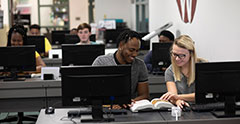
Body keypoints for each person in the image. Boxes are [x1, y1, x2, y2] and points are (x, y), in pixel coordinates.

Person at [92, 30, 149, 105]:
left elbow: (144, 95)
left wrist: (128, 102)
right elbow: (93, 93)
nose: (135, 54)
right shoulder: (101, 62)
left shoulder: (140, 65)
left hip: (129, 109)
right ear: (120, 46)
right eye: (131, 50)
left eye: (137, 51)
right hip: (105, 108)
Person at [159, 35, 207, 108]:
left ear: (191, 54)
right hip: (184, 109)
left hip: (204, 108)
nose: (177, 59)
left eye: (182, 55)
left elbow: (205, 95)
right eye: (174, 54)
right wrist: (178, 101)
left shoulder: (204, 66)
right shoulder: (170, 71)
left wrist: (177, 97)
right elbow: (172, 96)